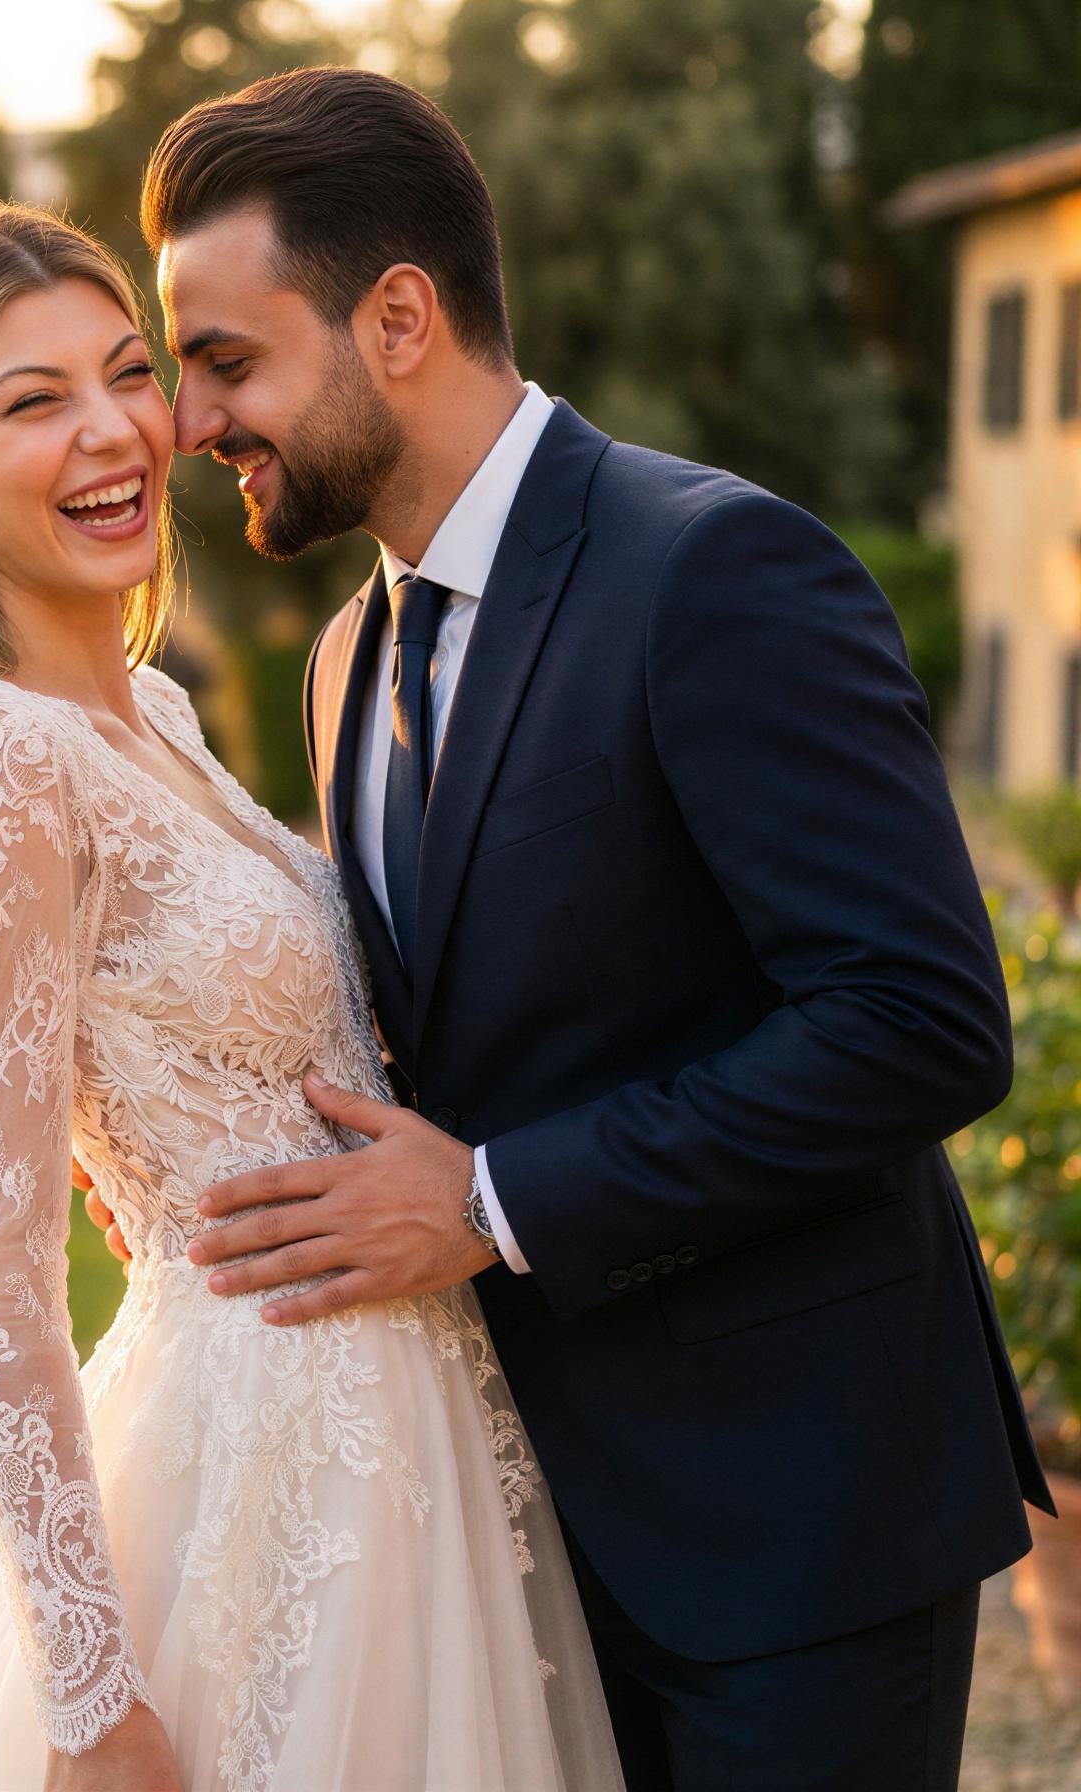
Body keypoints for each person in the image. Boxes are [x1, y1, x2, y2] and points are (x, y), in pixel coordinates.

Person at [86, 66, 1053, 1791]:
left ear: (398, 317)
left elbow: (916, 1019)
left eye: (227, 361)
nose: (188, 422)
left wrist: (487, 1201)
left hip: (793, 1530)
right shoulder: (338, 665)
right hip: (510, 1545)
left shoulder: (719, 571)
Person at [0, 200, 624, 1790]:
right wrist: (93, 1702)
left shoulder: (148, 712)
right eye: (32, 403)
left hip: (405, 1431)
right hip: (258, 1464)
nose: (111, 433)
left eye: (125, 374)